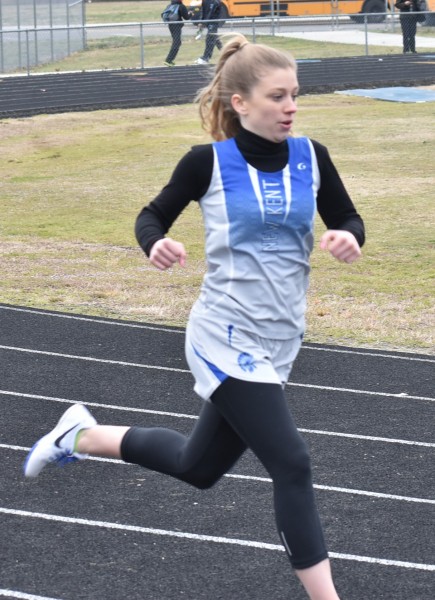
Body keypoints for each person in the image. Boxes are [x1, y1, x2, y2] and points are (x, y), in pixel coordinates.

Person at [24, 34, 365, 599]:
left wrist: (349, 237)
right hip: (223, 332)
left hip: (281, 338)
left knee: (197, 466)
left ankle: (79, 435)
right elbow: (151, 215)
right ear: (241, 103)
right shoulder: (207, 162)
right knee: (292, 463)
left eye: (295, 95)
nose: (291, 107)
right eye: (278, 96)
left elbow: (348, 217)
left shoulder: (313, 157)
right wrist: (156, 243)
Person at [163, 0, 192, 66]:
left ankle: (169, 60)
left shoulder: (170, 6)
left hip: (170, 25)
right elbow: (186, 17)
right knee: (177, 42)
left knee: (176, 42)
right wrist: (190, 13)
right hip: (177, 26)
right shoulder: (181, 6)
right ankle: (168, 60)